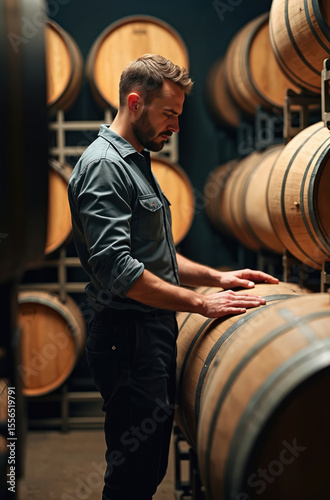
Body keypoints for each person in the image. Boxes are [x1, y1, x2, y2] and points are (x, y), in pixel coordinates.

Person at [68, 53, 279, 500]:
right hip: (128, 335)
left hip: (149, 328)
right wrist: (201, 303)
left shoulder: (135, 160)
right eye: (169, 114)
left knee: (147, 469)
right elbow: (118, 270)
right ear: (134, 102)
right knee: (132, 477)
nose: (176, 126)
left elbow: (155, 255)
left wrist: (215, 278)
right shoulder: (107, 167)